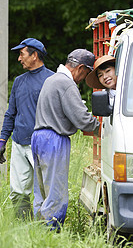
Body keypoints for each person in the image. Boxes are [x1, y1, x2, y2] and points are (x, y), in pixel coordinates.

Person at [31, 49, 100, 230]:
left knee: (41, 191)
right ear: (80, 68)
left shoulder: (51, 79)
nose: (84, 78)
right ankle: (50, 233)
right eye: (86, 73)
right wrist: (102, 128)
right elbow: (82, 119)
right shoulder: (66, 84)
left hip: (39, 137)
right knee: (56, 192)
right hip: (54, 139)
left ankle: (38, 231)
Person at [0, 37, 54, 218]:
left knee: (45, 191)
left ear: (34, 55)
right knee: (18, 190)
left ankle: (46, 230)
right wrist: (2, 141)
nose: (19, 59)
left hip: (42, 145)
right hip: (19, 143)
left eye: (22, 54)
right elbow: (10, 113)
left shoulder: (52, 80)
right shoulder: (19, 81)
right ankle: (23, 229)